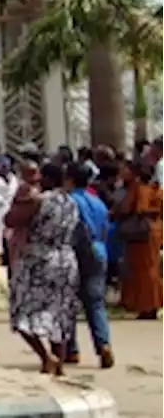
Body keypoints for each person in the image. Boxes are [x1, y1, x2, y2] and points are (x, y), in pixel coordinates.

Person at [6, 161, 81, 374]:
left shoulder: (37, 200)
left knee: (22, 311)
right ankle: (59, 362)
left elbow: (10, 220)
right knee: (60, 312)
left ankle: (46, 356)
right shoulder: (71, 202)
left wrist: (20, 199)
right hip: (65, 259)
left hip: (38, 259)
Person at [63, 161, 114, 368]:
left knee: (68, 302)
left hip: (76, 253)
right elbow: (105, 229)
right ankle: (104, 344)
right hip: (99, 251)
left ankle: (71, 349)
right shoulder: (98, 202)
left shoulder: (69, 201)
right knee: (96, 303)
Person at [114, 158, 164, 319]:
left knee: (143, 270)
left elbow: (131, 208)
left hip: (142, 233)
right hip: (156, 230)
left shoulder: (139, 188)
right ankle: (153, 303)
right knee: (153, 268)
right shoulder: (157, 188)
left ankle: (146, 305)